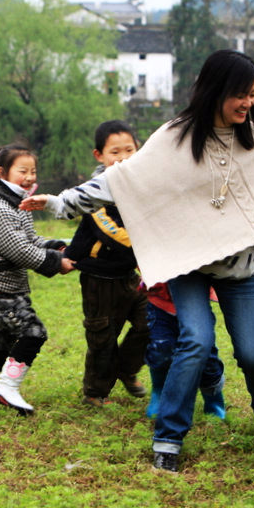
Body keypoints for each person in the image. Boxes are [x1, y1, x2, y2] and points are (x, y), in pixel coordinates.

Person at [22, 50, 254, 471]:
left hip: (241, 270)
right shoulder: (174, 137)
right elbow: (121, 180)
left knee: (253, 353)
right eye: (239, 95)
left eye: (253, 96)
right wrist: (61, 203)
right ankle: (168, 436)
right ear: (215, 91)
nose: (246, 104)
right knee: (196, 342)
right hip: (187, 265)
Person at [0, 145, 75, 415]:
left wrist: (56, 247)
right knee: (33, 332)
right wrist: (55, 263)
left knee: (2, 340)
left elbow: (29, 239)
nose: (30, 177)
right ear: (1, 172)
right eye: (23, 171)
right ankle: (7, 387)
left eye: (33, 171)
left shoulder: (15, 200)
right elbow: (18, 250)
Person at [63, 120, 149, 407]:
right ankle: (95, 393)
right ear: (99, 155)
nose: (123, 158)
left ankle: (126, 369)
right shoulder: (94, 190)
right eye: (115, 152)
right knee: (103, 335)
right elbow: (109, 230)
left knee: (150, 321)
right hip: (98, 277)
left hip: (128, 274)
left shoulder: (140, 185)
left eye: (129, 150)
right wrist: (149, 245)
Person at [144, 283, 226, 421]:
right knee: (160, 349)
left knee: (206, 357)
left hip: (196, 300)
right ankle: (160, 392)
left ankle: (213, 397)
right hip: (160, 300)